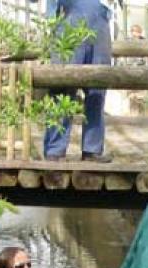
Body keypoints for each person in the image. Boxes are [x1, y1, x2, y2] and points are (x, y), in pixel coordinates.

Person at [44, 0, 114, 162]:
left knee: (98, 87)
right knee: (62, 87)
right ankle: (54, 150)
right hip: (68, 22)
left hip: (100, 24)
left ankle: (92, 149)